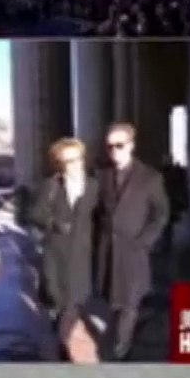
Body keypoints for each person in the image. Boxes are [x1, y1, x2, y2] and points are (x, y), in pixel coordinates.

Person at [95, 122, 169, 360]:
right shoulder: (102, 176)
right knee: (111, 298)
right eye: (110, 147)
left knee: (130, 301)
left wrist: (145, 241)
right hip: (108, 250)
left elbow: (161, 214)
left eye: (119, 145)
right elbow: (95, 212)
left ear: (131, 145)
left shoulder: (150, 178)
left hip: (134, 250)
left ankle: (122, 345)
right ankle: (118, 335)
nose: (114, 151)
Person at [31, 137, 99, 351]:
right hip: (56, 257)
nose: (74, 165)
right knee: (60, 307)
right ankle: (64, 349)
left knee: (74, 306)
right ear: (59, 164)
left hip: (83, 258)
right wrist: (55, 223)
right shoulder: (51, 186)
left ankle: (65, 349)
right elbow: (35, 215)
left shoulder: (94, 186)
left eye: (77, 159)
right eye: (67, 161)